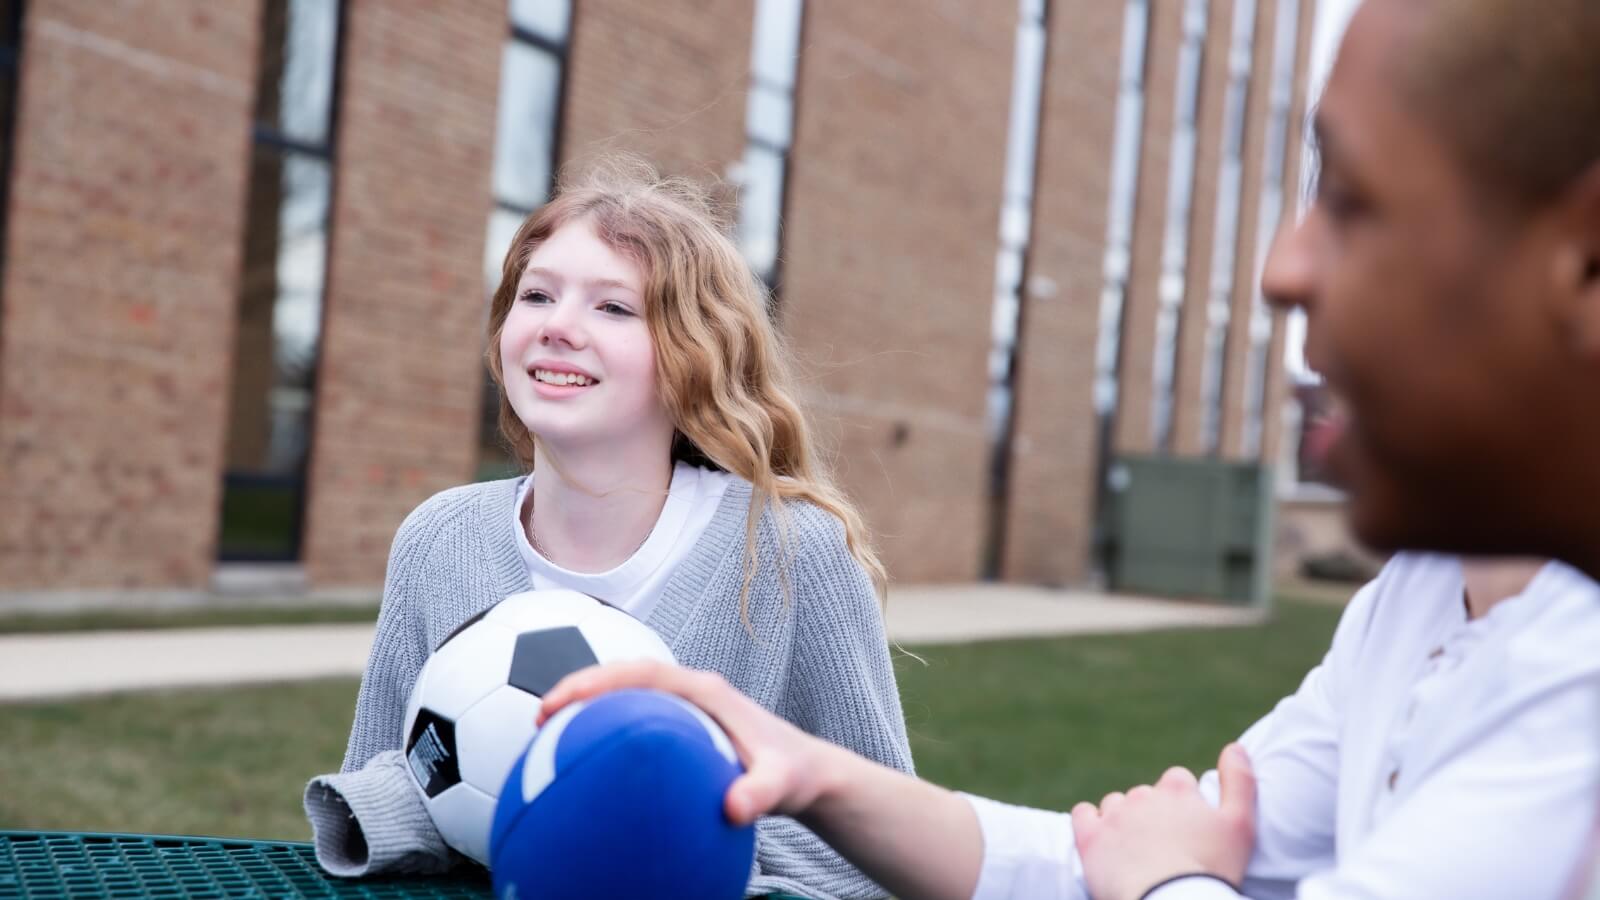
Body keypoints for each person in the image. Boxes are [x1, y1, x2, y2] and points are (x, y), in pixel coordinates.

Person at [537, 0, 1600, 897]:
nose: (1282, 268)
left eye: (1352, 201)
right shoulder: (1412, 599)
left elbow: (1145, 872)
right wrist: (811, 772)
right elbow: (1081, 867)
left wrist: (1166, 885)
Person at [302, 160, 914, 900]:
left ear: (694, 353)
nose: (558, 326)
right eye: (537, 295)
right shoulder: (441, 538)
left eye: (614, 309)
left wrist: (668, 841)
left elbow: (889, 841)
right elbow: (387, 785)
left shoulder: (788, 551)